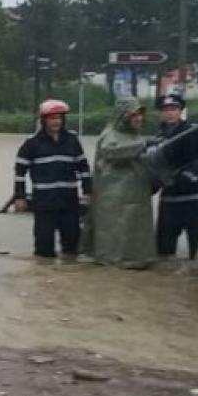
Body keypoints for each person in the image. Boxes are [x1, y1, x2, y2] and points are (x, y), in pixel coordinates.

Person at [13, 99, 92, 258]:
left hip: (69, 201)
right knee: (44, 250)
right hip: (44, 202)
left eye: (59, 118)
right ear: (43, 120)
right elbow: (20, 172)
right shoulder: (32, 143)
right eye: (52, 118)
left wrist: (88, 192)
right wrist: (20, 197)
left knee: (72, 247)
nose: (56, 121)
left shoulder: (72, 140)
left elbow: (84, 168)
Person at [85, 97, 156, 269]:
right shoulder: (109, 134)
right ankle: (112, 260)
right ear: (123, 116)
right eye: (134, 115)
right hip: (113, 196)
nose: (139, 118)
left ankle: (138, 259)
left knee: (136, 228)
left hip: (138, 193)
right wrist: (143, 145)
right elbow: (112, 152)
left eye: (140, 114)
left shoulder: (136, 135)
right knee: (114, 230)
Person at [153, 92, 198, 259]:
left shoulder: (194, 132)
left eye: (174, 108)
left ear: (181, 111)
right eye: (166, 109)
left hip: (197, 200)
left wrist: (182, 176)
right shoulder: (157, 138)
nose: (170, 113)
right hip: (171, 202)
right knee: (164, 249)